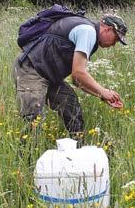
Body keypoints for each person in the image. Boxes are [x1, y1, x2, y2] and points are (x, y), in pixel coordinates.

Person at [13, 12, 128, 144]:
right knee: (33, 120)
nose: (114, 44)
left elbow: (76, 80)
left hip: (49, 76)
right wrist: (104, 92)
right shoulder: (87, 32)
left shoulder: (88, 31)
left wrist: (102, 95)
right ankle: (26, 160)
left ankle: (78, 151)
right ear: (108, 29)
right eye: (116, 39)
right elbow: (78, 74)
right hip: (31, 69)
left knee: (71, 108)